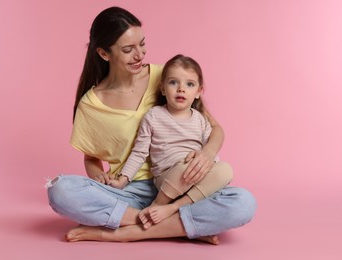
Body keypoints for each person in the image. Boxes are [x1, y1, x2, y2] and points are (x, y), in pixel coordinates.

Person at [47, 6, 256, 245]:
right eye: (128, 49)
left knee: (243, 203)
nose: (139, 55)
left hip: (186, 182)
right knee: (60, 190)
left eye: (142, 44)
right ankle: (175, 225)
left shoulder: (167, 76)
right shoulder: (91, 105)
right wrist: (101, 178)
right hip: (131, 192)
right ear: (104, 53)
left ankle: (130, 231)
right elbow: (91, 159)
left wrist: (206, 156)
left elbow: (214, 128)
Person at [110, 54, 233, 230]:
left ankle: (171, 208)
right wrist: (123, 179)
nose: (181, 89)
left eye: (189, 84)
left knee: (226, 170)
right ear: (162, 89)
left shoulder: (200, 119)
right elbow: (139, 152)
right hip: (169, 177)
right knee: (185, 167)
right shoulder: (153, 116)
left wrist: (208, 166)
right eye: (173, 82)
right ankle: (158, 204)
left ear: (199, 92)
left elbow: (210, 151)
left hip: (195, 178)